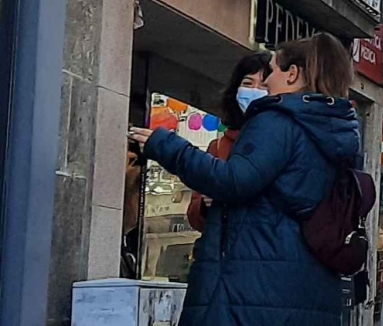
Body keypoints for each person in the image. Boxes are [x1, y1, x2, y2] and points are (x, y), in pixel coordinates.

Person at [128, 34, 360, 326]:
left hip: (254, 285)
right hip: (308, 286)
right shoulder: (338, 131)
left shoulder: (278, 120)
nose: (265, 83)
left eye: (272, 71)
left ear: (292, 74)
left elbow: (234, 180)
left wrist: (168, 147)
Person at [184, 52, 272, 232]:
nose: (255, 90)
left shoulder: (284, 140)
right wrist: (205, 205)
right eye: (248, 83)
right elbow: (195, 216)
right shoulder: (218, 147)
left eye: (263, 85)